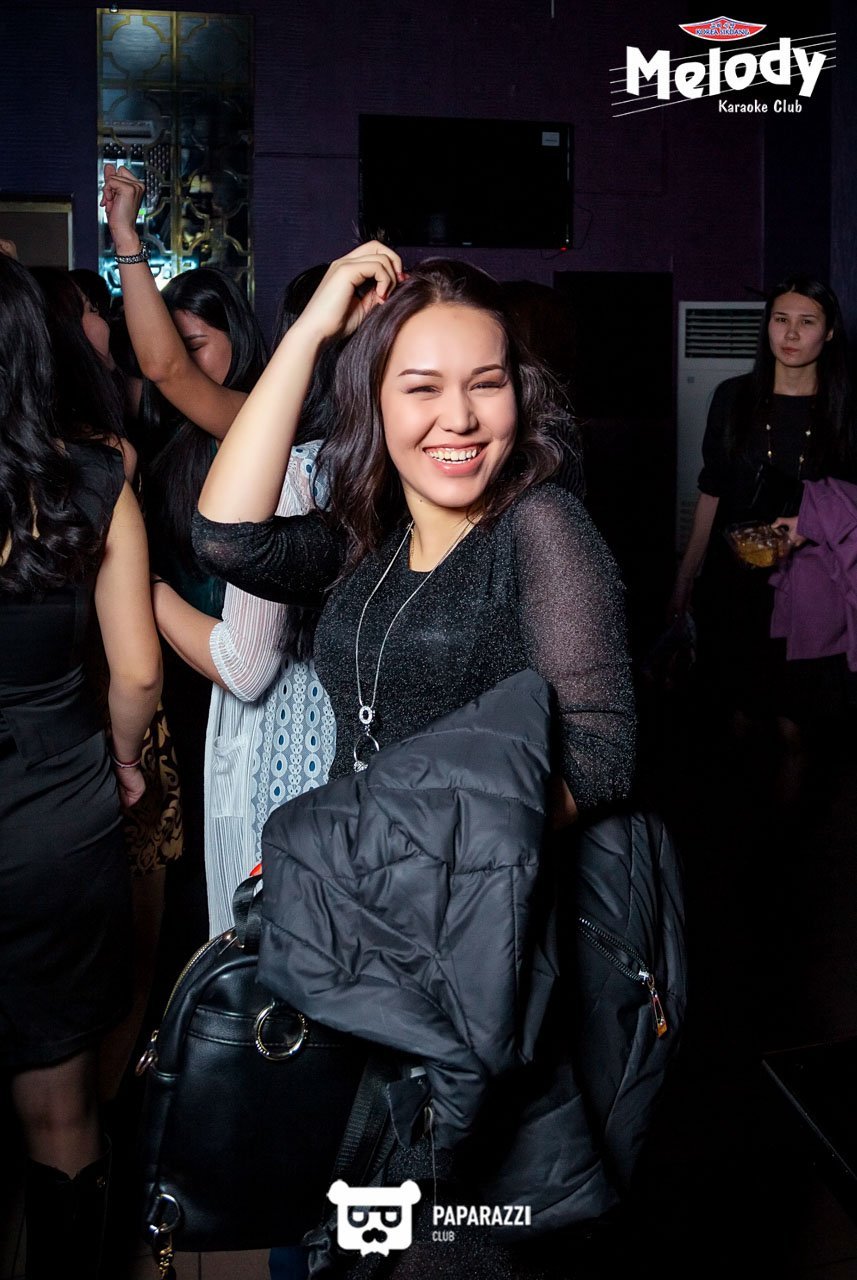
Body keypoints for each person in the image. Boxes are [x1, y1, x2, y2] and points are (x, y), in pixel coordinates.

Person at [191, 242, 634, 1274]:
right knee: (352, 1217)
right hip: (361, 950)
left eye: (486, 383)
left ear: (519, 393)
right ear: (374, 400)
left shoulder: (540, 527)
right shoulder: (368, 536)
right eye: (421, 387)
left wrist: (405, 865)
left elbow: (603, 752)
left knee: (450, 1234)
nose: (459, 418)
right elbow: (225, 537)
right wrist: (312, 331)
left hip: (474, 950)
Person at [0, 253, 162, 1277]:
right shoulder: (95, 481)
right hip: (56, 818)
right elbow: (137, 670)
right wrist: (120, 759)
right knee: (62, 1105)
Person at [668, 275, 855, 736]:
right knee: (737, 717)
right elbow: (712, 491)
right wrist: (685, 579)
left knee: (797, 727)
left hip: (810, 583)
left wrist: (808, 524)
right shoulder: (732, 397)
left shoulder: (844, 405)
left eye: (807, 322)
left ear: (829, 331)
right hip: (735, 578)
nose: (790, 334)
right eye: (780, 319)